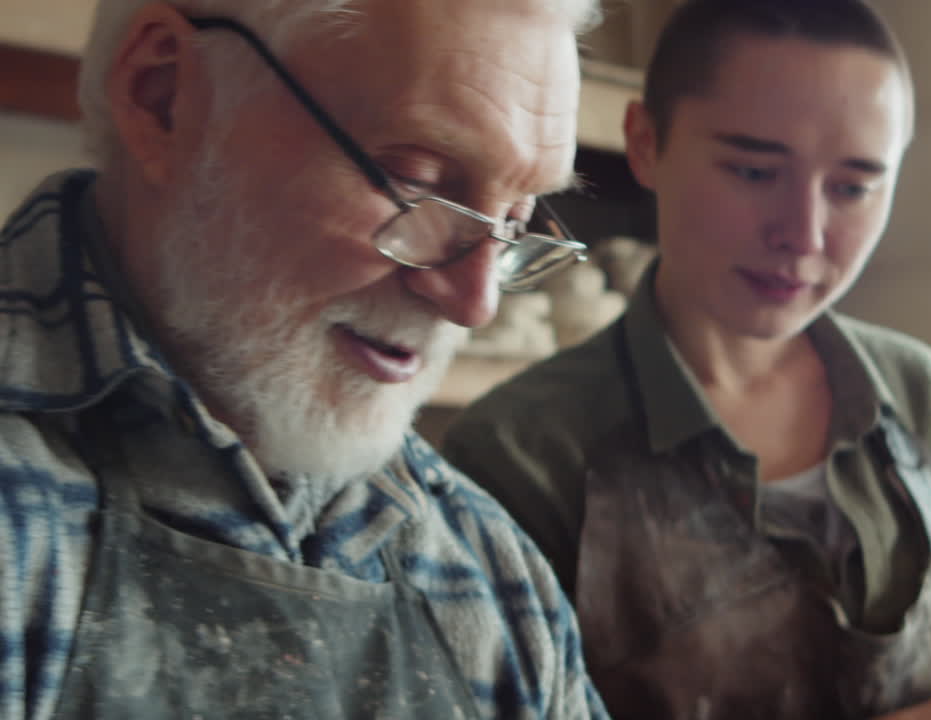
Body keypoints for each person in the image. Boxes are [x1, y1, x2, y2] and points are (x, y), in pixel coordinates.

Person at [441, 1, 931, 718]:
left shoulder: (927, 401)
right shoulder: (524, 452)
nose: (804, 233)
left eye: (854, 187)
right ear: (645, 141)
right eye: (755, 172)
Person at [0, 0, 611, 717]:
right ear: (161, 95)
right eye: (415, 180)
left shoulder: (489, 578)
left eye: (515, 225)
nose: (475, 303)